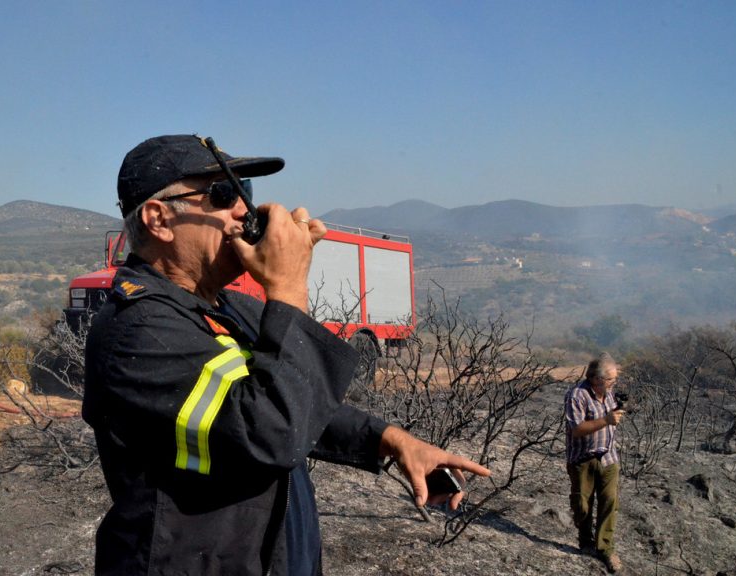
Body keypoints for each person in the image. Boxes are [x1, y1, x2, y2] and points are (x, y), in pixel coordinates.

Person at [82, 134, 491, 575]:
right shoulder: (138, 331)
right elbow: (270, 430)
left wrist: (389, 438)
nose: (244, 210)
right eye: (223, 194)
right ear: (159, 220)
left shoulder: (229, 307)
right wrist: (288, 287)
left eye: (246, 192)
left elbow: (291, 392)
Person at [564, 352, 624, 573]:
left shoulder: (608, 394)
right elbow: (577, 429)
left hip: (608, 457)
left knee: (609, 501)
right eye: (611, 380)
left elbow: (611, 419)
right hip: (582, 459)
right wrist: (606, 420)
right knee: (582, 504)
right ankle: (586, 542)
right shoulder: (576, 396)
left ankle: (606, 549)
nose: (613, 383)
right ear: (596, 379)